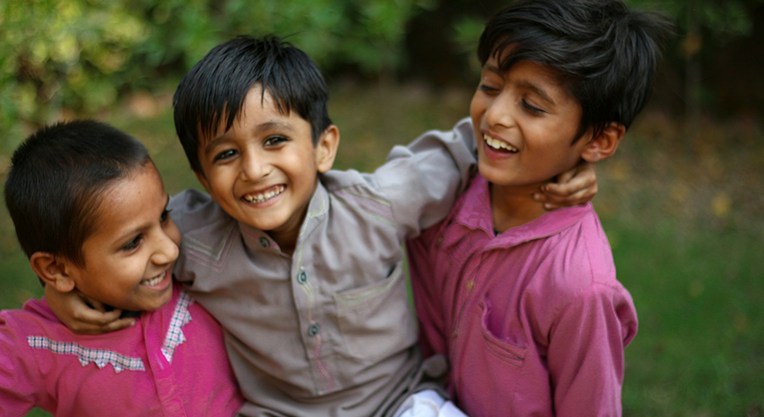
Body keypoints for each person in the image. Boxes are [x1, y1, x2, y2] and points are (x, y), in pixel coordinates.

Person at [46, 36, 597, 416]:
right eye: (226, 154)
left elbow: (471, 143)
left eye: (276, 140)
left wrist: (572, 158)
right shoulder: (190, 234)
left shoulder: (381, 203)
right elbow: (121, 249)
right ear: (200, 176)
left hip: (401, 403)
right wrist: (66, 293)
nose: (255, 170)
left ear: (324, 146)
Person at [406, 1, 672, 416]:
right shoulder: (445, 194)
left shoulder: (580, 287)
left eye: (531, 106)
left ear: (598, 141)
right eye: (490, 87)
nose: (494, 115)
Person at [0, 120, 244, 416]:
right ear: (56, 270)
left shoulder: (205, 264)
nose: (169, 250)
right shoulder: (36, 346)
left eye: (164, 216)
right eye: (133, 243)